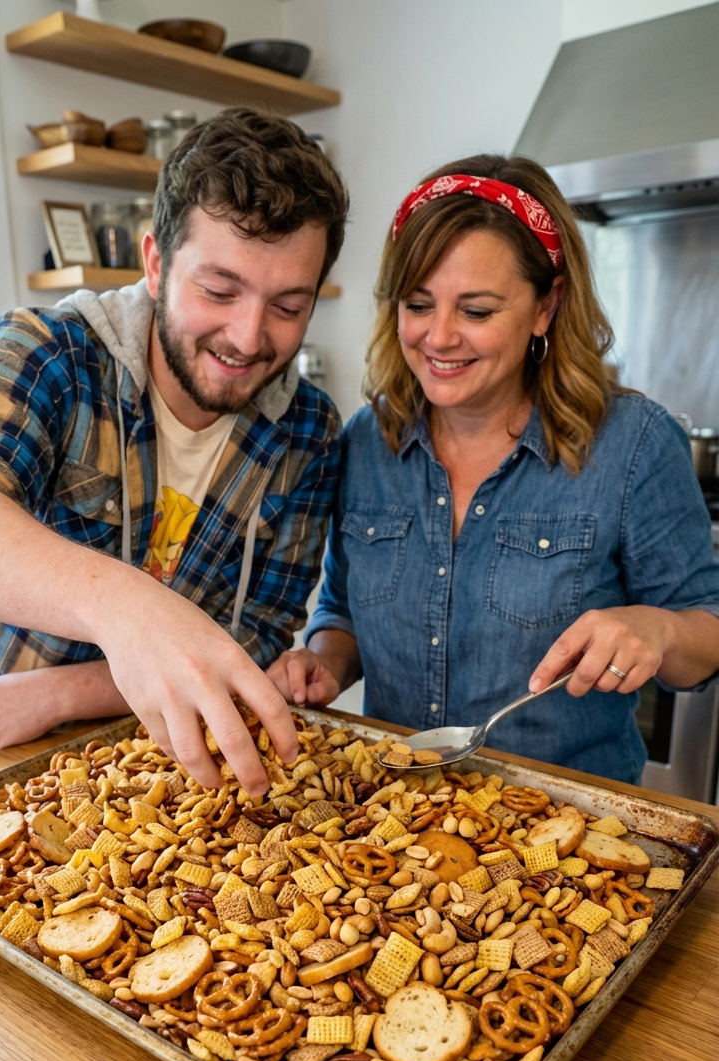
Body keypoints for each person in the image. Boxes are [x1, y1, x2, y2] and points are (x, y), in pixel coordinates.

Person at [0, 108, 349, 794]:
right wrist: (130, 606)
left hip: (146, 782)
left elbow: (255, 636)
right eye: (219, 290)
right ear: (156, 264)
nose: (250, 337)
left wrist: (59, 694)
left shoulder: (308, 432)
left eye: (288, 305)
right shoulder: (49, 351)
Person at [268, 155, 719, 783]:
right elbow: (342, 610)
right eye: (418, 304)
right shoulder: (369, 440)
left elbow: (708, 631)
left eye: (476, 311)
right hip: (401, 816)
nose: (440, 337)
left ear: (545, 306)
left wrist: (661, 630)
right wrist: (322, 662)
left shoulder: (634, 445)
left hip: (570, 832)